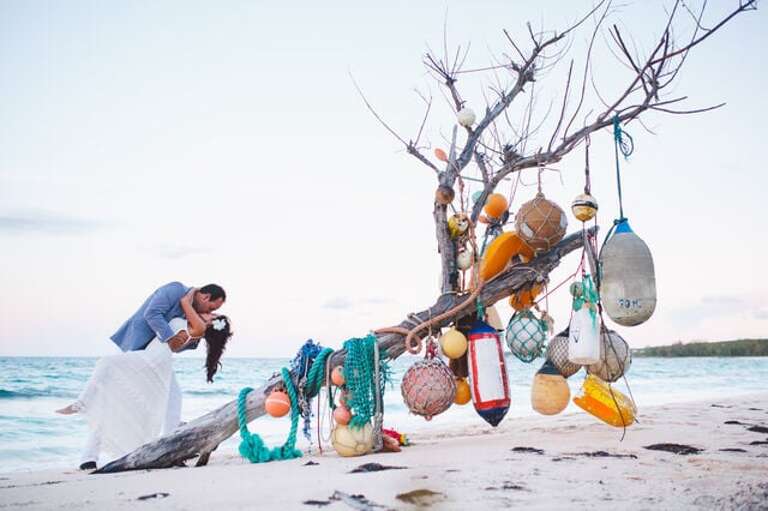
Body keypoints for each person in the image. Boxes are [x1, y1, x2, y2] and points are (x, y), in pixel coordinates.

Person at [56, 282, 232, 470]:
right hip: (137, 349)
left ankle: (171, 450)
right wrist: (171, 336)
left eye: (214, 314)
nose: (212, 312)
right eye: (212, 308)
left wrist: (186, 331)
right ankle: (88, 452)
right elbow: (152, 314)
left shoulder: (193, 316)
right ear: (205, 297)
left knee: (173, 400)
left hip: (156, 361)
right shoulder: (175, 290)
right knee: (116, 397)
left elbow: (179, 343)